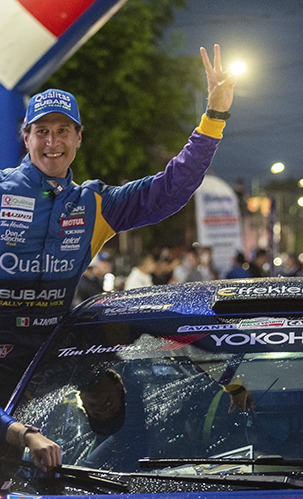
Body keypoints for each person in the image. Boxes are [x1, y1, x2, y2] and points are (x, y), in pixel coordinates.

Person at [0, 44, 236, 409]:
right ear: (26, 137)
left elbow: (169, 190)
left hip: (47, 368)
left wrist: (215, 116)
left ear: (78, 138)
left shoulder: (93, 203)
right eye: (42, 131)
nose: (52, 142)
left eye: (63, 130)